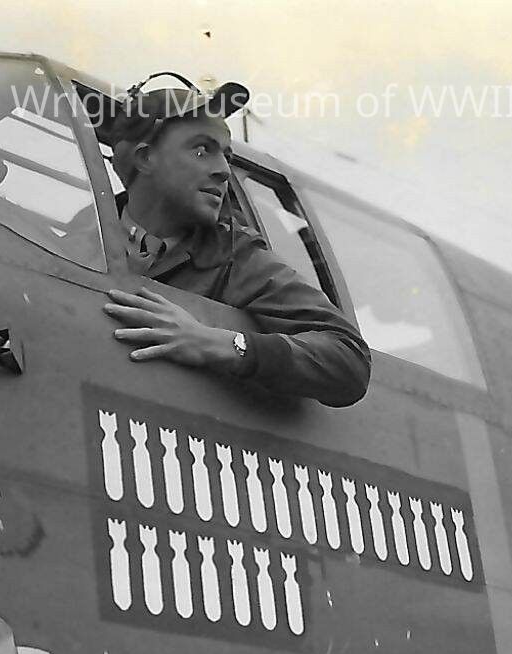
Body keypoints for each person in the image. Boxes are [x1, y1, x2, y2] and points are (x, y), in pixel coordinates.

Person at [95, 78, 370, 407]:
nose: (224, 170)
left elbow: (348, 358)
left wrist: (221, 344)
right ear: (145, 158)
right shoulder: (81, 238)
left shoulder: (236, 256)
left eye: (225, 155)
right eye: (202, 151)